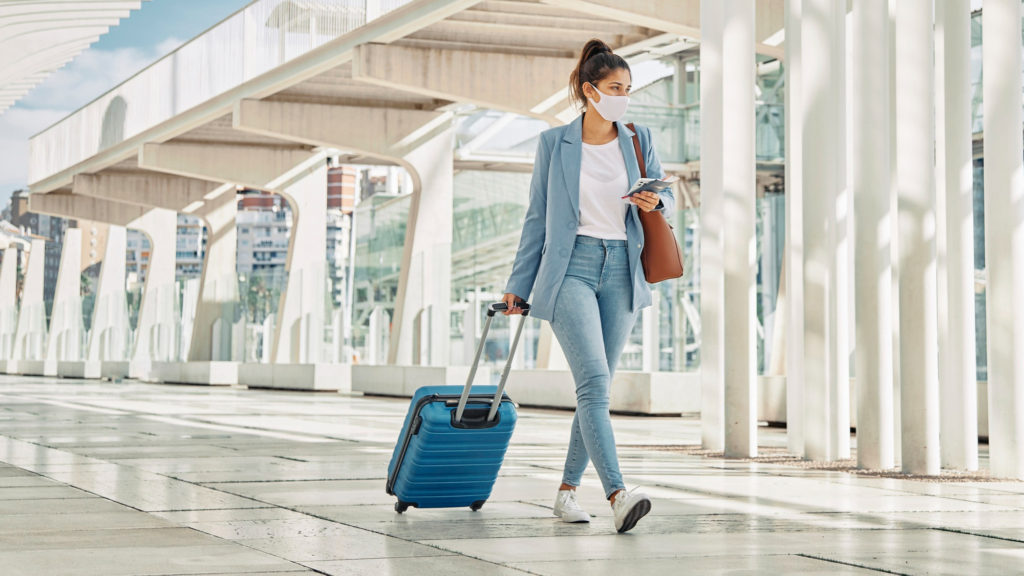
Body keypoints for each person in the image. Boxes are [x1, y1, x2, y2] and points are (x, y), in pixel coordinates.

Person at [501, 38, 674, 534]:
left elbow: (664, 198)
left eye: (628, 89)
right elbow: (538, 217)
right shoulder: (554, 144)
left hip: (622, 266)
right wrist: (519, 284)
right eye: (615, 87)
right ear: (588, 90)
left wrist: (653, 203)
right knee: (595, 383)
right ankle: (619, 494)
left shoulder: (638, 139)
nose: (623, 96)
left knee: (593, 389)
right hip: (571, 266)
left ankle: (566, 492)